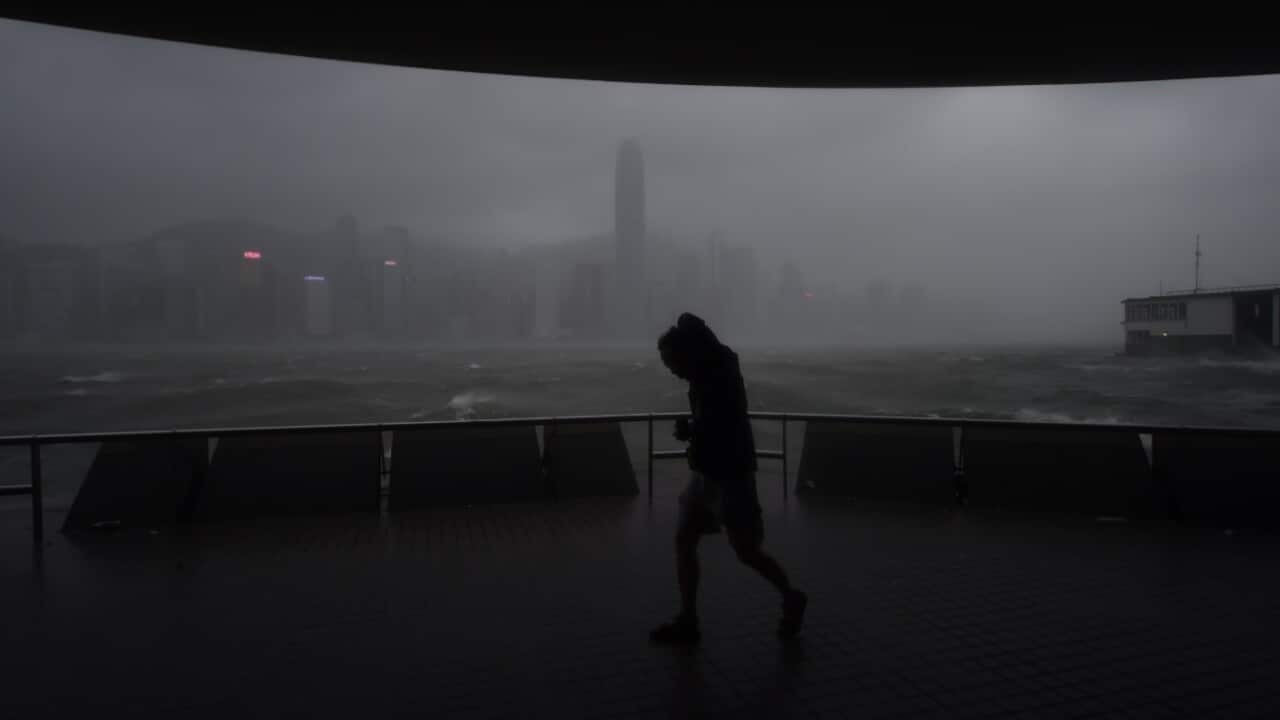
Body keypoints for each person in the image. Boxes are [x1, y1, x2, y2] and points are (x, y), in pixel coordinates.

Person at [650, 312, 807, 645]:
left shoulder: (719, 369)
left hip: (732, 476)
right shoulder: (702, 377)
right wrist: (691, 429)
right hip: (706, 473)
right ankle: (688, 619)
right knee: (684, 539)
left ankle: (791, 596)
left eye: (670, 361)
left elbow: (719, 422)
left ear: (687, 353)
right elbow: (710, 422)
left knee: (747, 551)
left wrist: (692, 429)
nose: (670, 370)